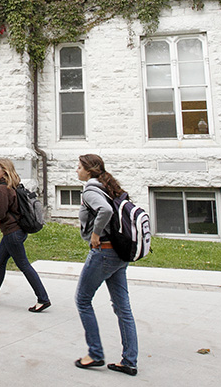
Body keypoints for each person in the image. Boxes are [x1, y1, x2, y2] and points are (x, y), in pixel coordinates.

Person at [74, 154, 139, 376]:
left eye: (79, 167)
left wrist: (95, 234)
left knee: (82, 300)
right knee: (123, 308)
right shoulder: (108, 186)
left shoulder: (91, 190)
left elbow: (106, 211)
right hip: (120, 255)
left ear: (89, 171)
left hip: (104, 252)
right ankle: (129, 361)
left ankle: (95, 353)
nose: (76, 170)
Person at [0, 158, 51, 312]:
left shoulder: (3, 189)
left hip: (12, 233)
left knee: (24, 265)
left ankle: (43, 299)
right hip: (17, 231)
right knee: (0, 263)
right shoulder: (15, 185)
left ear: (4, 170)